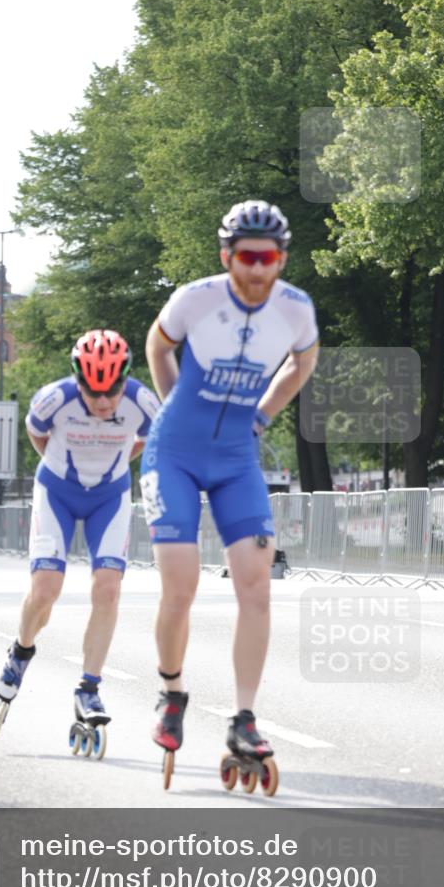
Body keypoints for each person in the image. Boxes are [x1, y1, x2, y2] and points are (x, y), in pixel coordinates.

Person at [141, 199, 320, 777]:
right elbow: (157, 345)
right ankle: (172, 693)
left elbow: (303, 362)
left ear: (281, 258)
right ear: (227, 257)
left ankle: (243, 718)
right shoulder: (196, 298)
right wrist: (173, 405)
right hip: (174, 453)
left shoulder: (295, 309)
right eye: (247, 257)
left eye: (269, 258)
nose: (258, 269)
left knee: (257, 585)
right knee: (181, 586)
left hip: (237, 458)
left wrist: (262, 416)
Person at [0, 329, 160, 738]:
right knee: (45, 591)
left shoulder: (143, 402)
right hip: (58, 492)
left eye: (112, 392)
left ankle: (89, 688)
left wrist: (114, 461)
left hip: (109, 496)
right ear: (77, 380)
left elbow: (148, 440)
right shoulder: (54, 399)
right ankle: (21, 650)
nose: (103, 402)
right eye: (92, 392)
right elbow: (37, 433)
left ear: (125, 380)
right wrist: (62, 466)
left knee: (108, 589)